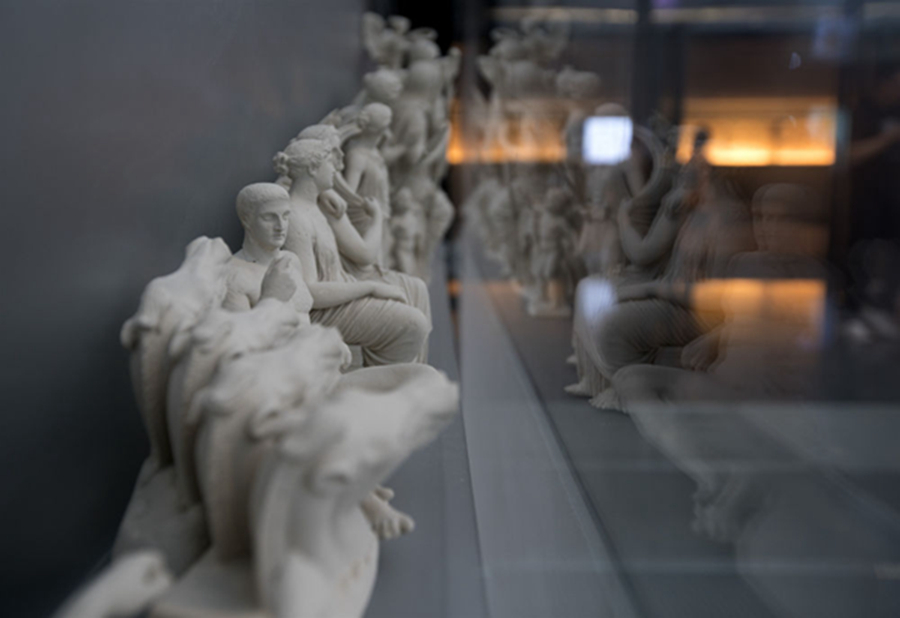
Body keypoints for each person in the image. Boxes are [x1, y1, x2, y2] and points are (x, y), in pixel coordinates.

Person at [275, 139, 431, 366]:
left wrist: (327, 194)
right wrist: (370, 287)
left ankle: (398, 375)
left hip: (342, 291)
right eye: (330, 162)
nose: (336, 169)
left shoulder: (314, 206)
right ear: (313, 168)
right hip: (325, 311)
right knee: (413, 323)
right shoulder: (297, 218)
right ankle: (382, 381)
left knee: (414, 298)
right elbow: (310, 292)